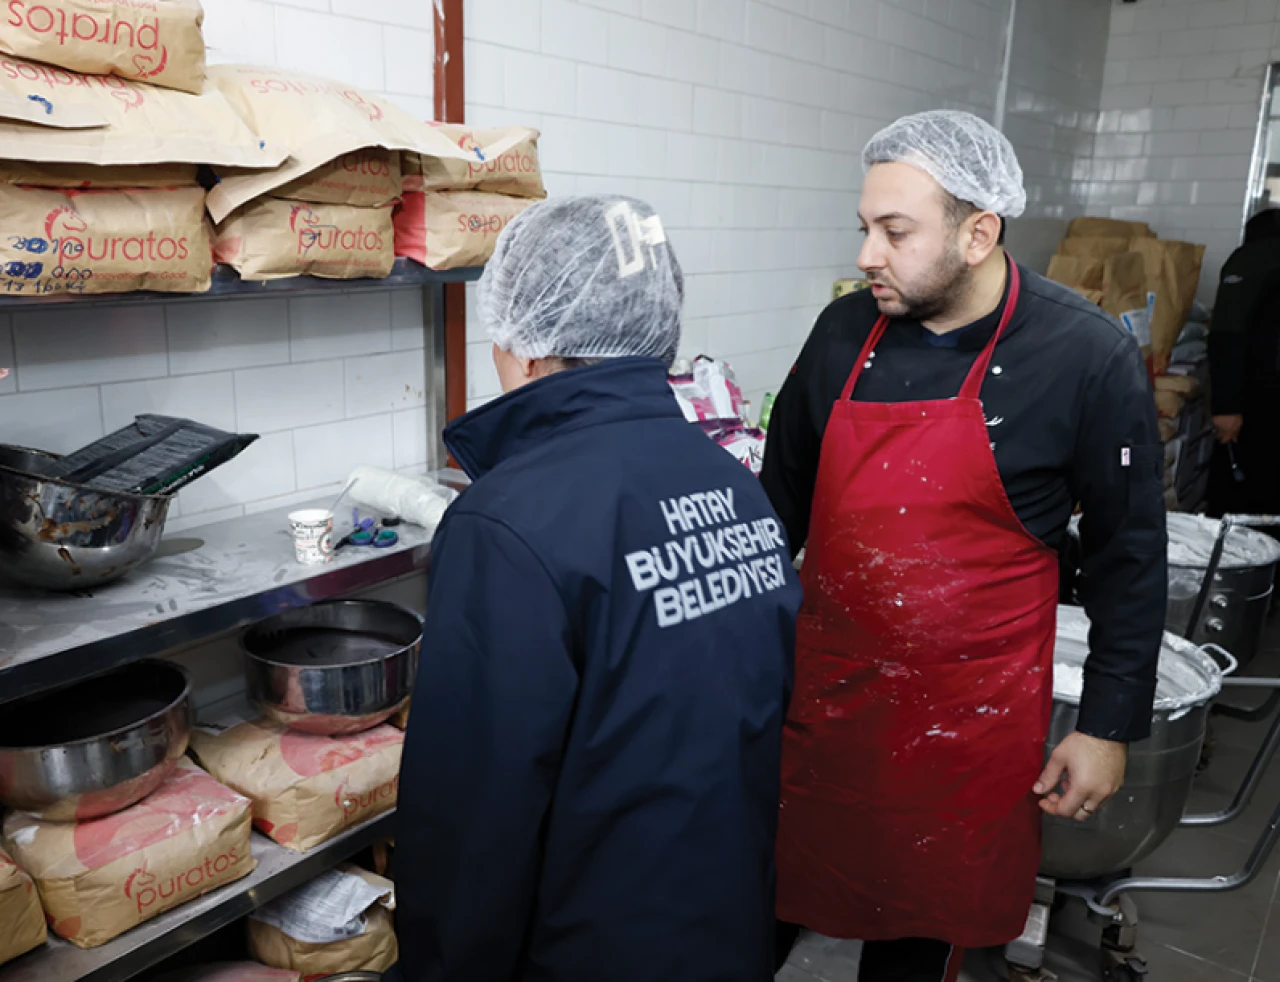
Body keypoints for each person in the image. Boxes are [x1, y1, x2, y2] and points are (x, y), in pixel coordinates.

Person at [761, 111, 1166, 981]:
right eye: (864, 229)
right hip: (827, 702)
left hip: (965, 731)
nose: (868, 255)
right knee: (764, 905)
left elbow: (1130, 555)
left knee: (915, 945)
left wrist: (1106, 725)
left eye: (894, 232)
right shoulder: (843, 333)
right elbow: (775, 510)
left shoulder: (1085, 355)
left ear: (978, 234)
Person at [393, 195, 802, 982]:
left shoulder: (509, 521)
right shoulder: (733, 485)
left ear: (524, 346)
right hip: (726, 922)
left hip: (585, 949)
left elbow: (473, 819)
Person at [1206, 207, 1280, 517]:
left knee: (1244, 489)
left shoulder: (1251, 259)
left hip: (1257, 397)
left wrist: (1226, 406)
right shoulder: (1262, 260)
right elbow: (1230, 332)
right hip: (1260, 397)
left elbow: (1227, 331)